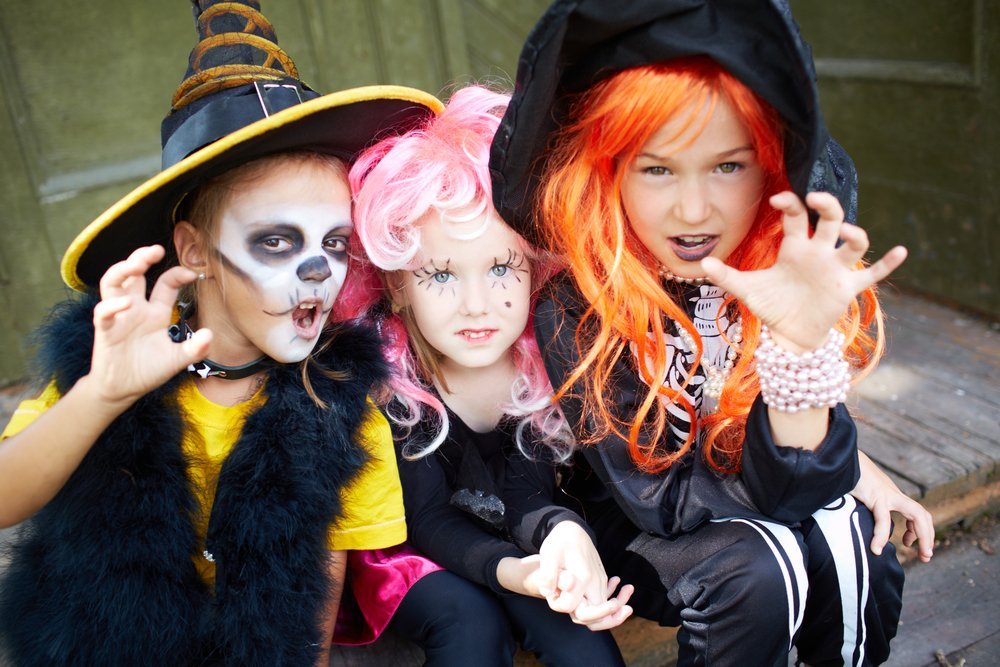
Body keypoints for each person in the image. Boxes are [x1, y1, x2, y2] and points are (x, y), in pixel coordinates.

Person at [488, 1, 935, 665]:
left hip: (751, 486)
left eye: (728, 166)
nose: (693, 210)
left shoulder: (776, 273)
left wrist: (801, 355)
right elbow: (662, 506)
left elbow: (801, 473)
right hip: (641, 528)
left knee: (849, 535)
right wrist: (834, 470)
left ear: (771, 167)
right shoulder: (575, 308)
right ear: (607, 171)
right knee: (765, 559)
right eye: (657, 168)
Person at [0, 2, 440, 665]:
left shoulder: (340, 401)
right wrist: (102, 395)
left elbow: (314, 598)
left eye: (335, 243)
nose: (317, 274)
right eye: (276, 240)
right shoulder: (113, 357)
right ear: (195, 251)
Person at [336, 84, 632, 666]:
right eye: (441, 275)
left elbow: (526, 491)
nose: (477, 304)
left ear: (536, 267)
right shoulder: (389, 381)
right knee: (470, 624)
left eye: (501, 267)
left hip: (505, 535)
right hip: (408, 554)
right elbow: (429, 520)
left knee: (576, 632)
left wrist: (559, 534)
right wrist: (515, 571)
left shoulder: (538, 361)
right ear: (397, 283)